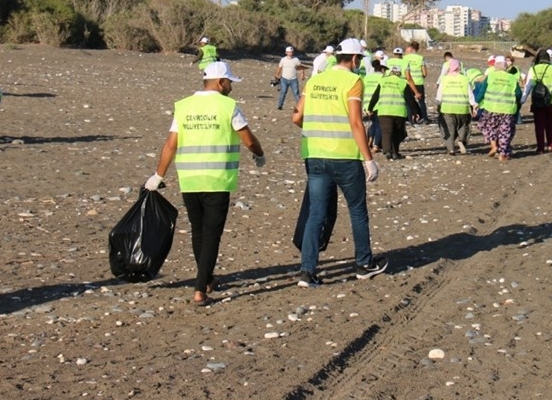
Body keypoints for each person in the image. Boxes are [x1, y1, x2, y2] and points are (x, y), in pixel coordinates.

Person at [145, 61, 265, 306]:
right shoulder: (229, 106)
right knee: (212, 234)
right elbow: (248, 138)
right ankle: (200, 290)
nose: (231, 86)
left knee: (198, 231)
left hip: (189, 178)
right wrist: (259, 153)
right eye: (230, 81)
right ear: (221, 82)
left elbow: (171, 144)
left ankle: (207, 278)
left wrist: (158, 175)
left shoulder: (184, 106)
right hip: (218, 179)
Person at [292, 38, 386, 287]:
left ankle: (307, 271)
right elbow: (356, 123)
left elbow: (297, 116)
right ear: (355, 59)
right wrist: (369, 160)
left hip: (315, 155)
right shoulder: (354, 81)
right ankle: (364, 263)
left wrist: (315, 129)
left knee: (316, 214)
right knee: (357, 211)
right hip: (345, 157)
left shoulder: (315, 80)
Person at [368, 64, 420, 160]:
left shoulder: (383, 81)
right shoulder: (403, 82)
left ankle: (387, 151)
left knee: (386, 132)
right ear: (399, 73)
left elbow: (375, 96)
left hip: (384, 111)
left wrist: (370, 108)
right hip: (398, 112)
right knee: (397, 132)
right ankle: (395, 152)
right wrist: (415, 112)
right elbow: (409, 99)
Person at [521, 49, 552, 154]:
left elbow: (528, 86)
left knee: (539, 125)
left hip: (537, 101)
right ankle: (550, 145)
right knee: (551, 124)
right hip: (551, 101)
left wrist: (523, 100)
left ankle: (540, 147)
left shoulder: (533, 69)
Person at [476, 56, 519, 161]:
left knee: (490, 127)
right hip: (507, 109)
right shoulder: (512, 78)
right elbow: (518, 93)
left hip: (491, 108)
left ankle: (494, 146)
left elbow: (482, 90)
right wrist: (517, 103)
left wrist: (476, 102)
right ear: (505, 66)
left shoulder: (490, 76)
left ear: (495, 65)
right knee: (505, 131)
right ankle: (503, 153)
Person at [436, 59, 476, 155]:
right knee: (463, 126)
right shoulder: (464, 79)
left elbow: (439, 95)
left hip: (447, 108)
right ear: (459, 68)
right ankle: (462, 140)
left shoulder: (445, 79)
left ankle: (451, 149)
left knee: (450, 129)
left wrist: (438, 105)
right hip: (462, 108)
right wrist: (473, 105)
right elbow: (470, 94)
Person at [362, 59, 386, 152]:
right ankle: (376, 145)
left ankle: (369, 141)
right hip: (377, 104)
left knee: (372, 123)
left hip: (367, 103)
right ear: (382, 69)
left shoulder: (367, 77)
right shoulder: (383, 78)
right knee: (378, 124)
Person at [404, 41, 429, 123]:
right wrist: (422, 76)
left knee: (409, 101)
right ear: (418, 49)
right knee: (421, 101)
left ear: (410, 48)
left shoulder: (405, 58)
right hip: (419, 82)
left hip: (408, 82)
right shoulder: (420, 58)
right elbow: (425, 73)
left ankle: (410, 118)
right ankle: (425, 118)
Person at [275, 46, 305, 110]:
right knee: (283, 92)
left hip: (293, 79)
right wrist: (277, 74)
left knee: (296, 93)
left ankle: (299, 106)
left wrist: (302, 74)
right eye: (289, 52)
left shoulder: (296, 59)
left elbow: (301, 67)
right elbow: (279, 67)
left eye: (291, 52)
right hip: (284, 79)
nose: (290, 53)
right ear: (286, 53)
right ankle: (280, 105)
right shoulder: (283, 59)